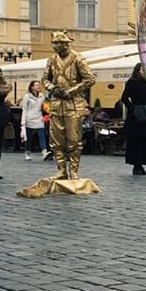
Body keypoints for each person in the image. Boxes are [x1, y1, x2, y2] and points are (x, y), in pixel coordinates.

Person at [42, 31, 97, 180]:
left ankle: (73, 171)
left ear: (65, 44)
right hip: (56, 105)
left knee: (74, 141)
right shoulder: (51, 60)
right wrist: (53, 88)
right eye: (53, 43)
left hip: (73, 105)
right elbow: (45, 79)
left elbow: (90, 79)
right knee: (56, 141)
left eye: (57, 43)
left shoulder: (78, 59)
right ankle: (61, 170)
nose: (54, 46)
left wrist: (72, 91)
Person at [121, 61, 146, 175]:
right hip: (135, 116)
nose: (144, 72)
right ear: (137, 71)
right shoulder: (132, 82)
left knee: (144, 141)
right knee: (135, 141)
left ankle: (142, 164)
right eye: (142, 70)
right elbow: (124, 98)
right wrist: (132, 108)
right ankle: (136, 165)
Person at [20, 80, 50, 161]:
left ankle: (44, 152)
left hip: (39, 118)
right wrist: (23, 121)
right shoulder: (27, 97)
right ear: (32, 87)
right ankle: (27, 152)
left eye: (39, 85)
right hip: (29, 118)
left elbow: (44, 107)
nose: (39, 87)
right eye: (36, 85)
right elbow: (25, 109)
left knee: (42, 135)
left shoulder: (42, 96)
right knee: (28, 138)